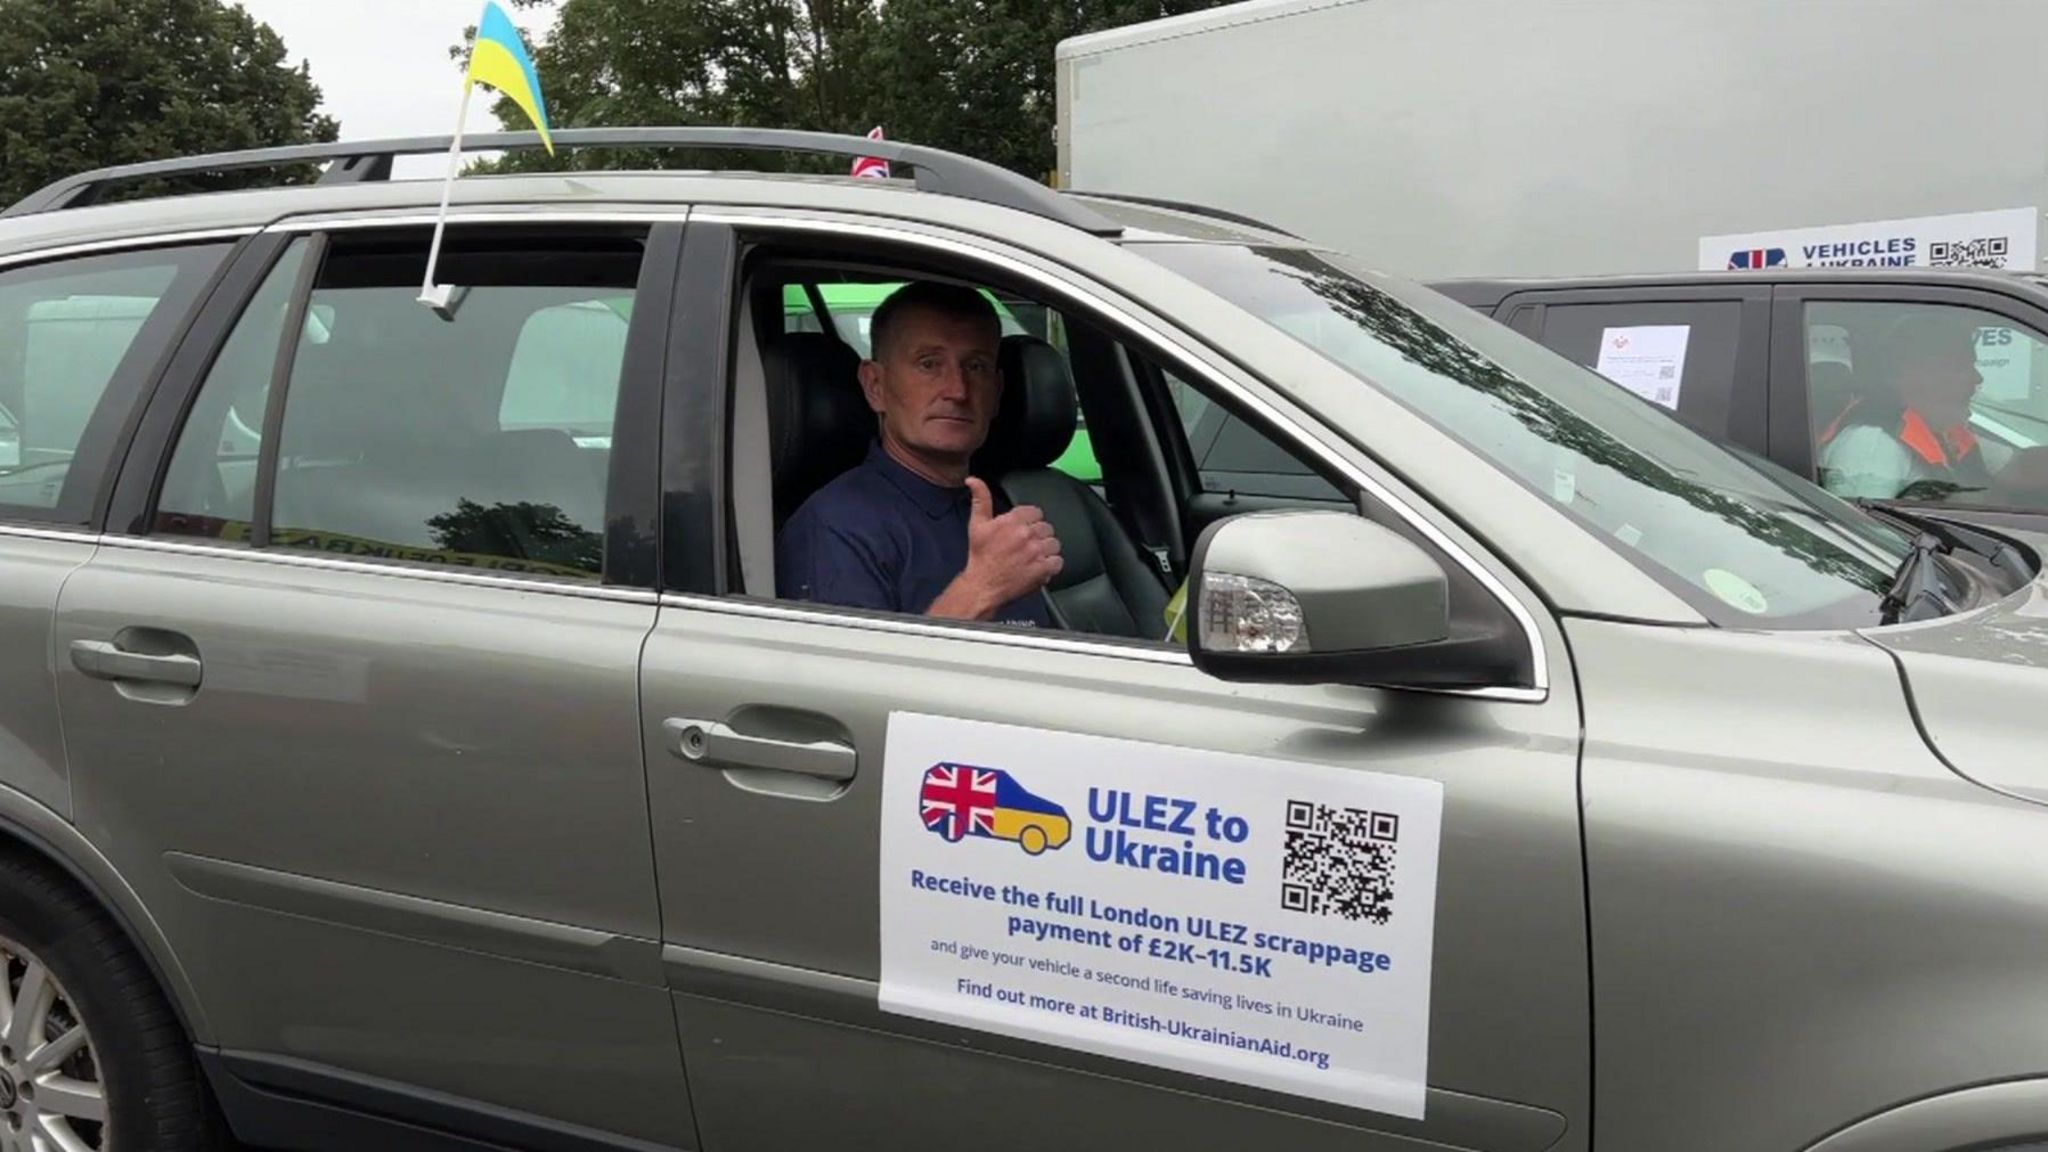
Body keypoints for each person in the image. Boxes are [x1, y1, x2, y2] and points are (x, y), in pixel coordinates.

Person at [776, 281, 1062, 625]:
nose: (957, 390)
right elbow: (853, 677)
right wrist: (981, 589)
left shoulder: (1000, 509)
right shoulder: (835, 529)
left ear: (997, 392)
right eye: (929, 364)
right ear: (875, 386)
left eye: (976, 366)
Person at [1817, 310, 1998, 502]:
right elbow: (1860, 527)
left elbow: (2008, 466)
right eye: (1962, 367)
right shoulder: (1872, 445)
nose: (1978, 378)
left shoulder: (1943, 432)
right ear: (1917, 376)